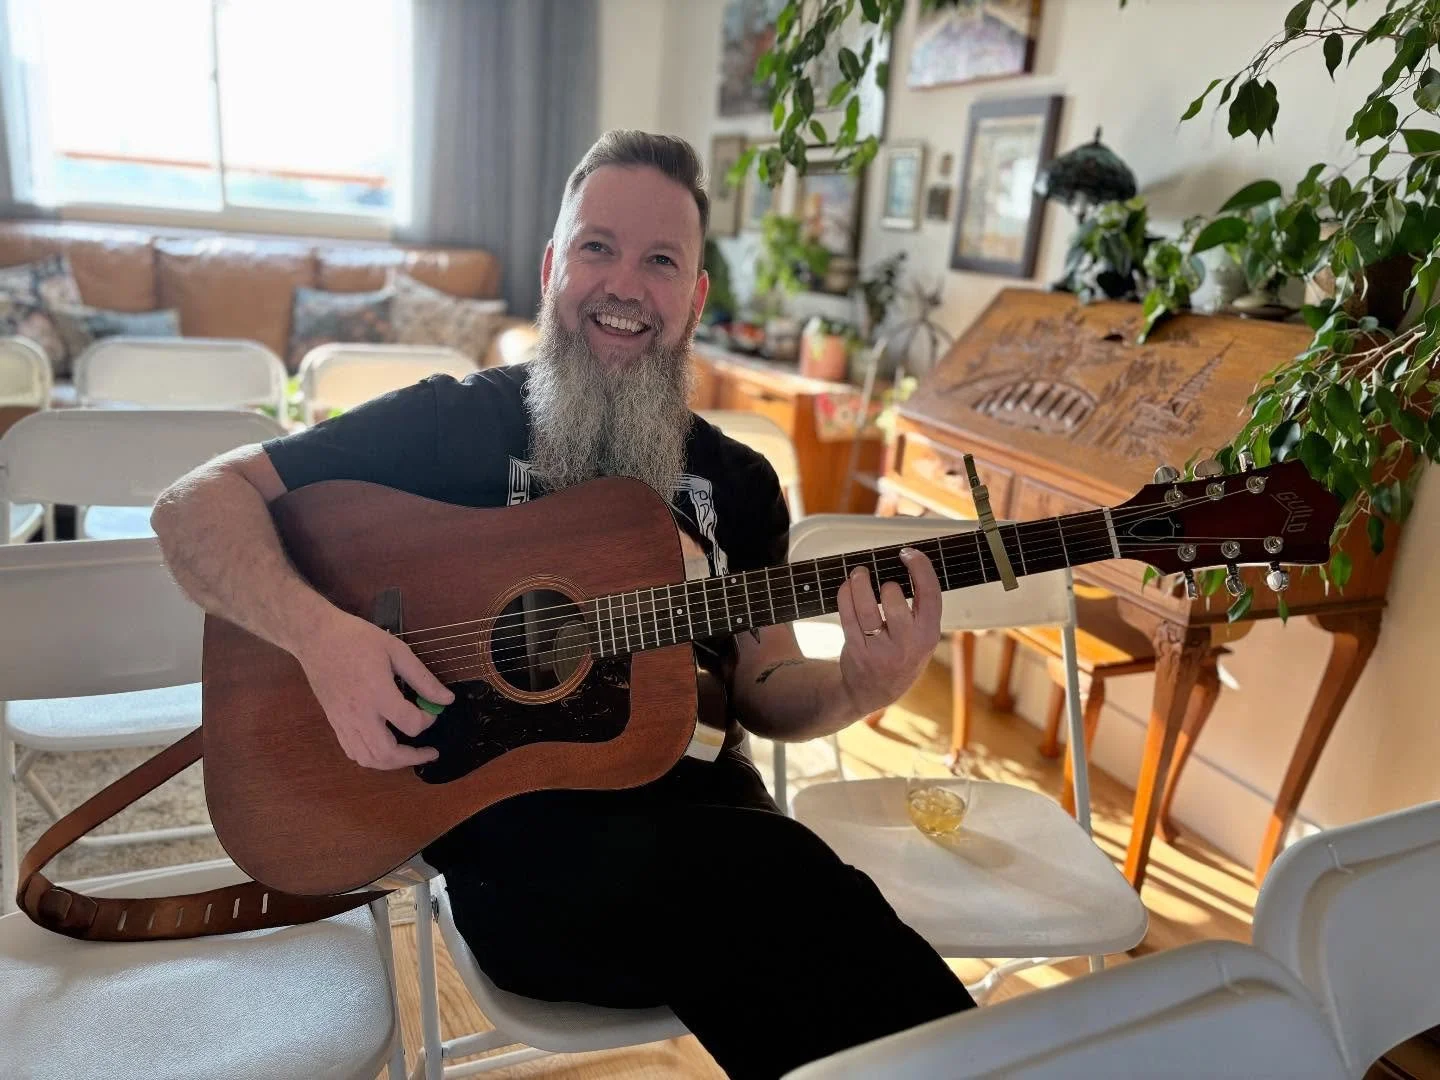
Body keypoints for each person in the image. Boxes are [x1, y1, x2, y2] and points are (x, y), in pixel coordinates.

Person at [151, 129, 975, 1079]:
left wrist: (857, 687)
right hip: (526, 859)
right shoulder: (456, 422)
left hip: (717, 830)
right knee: (802, 906)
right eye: (597, 248)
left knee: (794, 901)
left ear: (695, 297)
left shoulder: (737, 482)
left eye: (661, 260)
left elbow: (766, 684)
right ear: (552, 267)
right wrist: (322, 638)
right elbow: (193, 509)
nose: (625, 284)